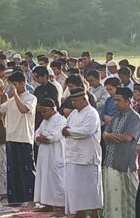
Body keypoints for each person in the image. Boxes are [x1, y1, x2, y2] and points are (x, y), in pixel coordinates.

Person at [0, 71, 37, 203]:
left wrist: (15, 95)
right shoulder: (11, 100)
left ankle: (29, 199)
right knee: (13, 172)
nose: (13, 87)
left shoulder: (31, 98)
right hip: (11, 138)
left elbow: (24, 109)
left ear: (23, 83)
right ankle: (15, 200)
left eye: (15, 84)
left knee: (26, 171)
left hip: (24, 138)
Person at [62, 87, 103, 218]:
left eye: (75, 101)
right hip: (73, 157)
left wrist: (69, 132)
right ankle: (79, 214)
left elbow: (87, 131)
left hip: (88, 158)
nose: (73, 103)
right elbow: (65, 127)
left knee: (91, 192)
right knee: (76, 191)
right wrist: (68, 131)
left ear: (84, 99)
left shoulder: (92, 113)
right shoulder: (74, 113)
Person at [102, 87, 140, 218]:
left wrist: (110, 136)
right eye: (114, 100)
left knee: (130, 197)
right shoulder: (116, 117)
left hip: (126, 164)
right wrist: (110, 136)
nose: (115, 103)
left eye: (118, 100)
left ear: (128, 101)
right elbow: (105, 134)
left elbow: (128, 138)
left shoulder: (134, 118)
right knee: (112, 197)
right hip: (111, 162)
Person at [33, 98, 66, 216]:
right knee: (44, 179)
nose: (42, 114)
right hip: (44, 155)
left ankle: (61, 206)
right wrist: (40, 137)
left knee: (57, 180)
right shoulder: (44, 121)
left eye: (44, 111)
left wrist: (43, 138)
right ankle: (47, 204)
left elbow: (53, 137)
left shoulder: (61, 120)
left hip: (55, 154)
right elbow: (36, 133)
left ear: (53, 109)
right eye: (40, 112)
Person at [32, 66, 59, 163]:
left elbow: (53, 104)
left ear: (45, 76)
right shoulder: (38, 89)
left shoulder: (52, 89)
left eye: (37, 77)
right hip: (38, 120)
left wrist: (42, 108)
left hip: (49, 120)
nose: (36, 79)